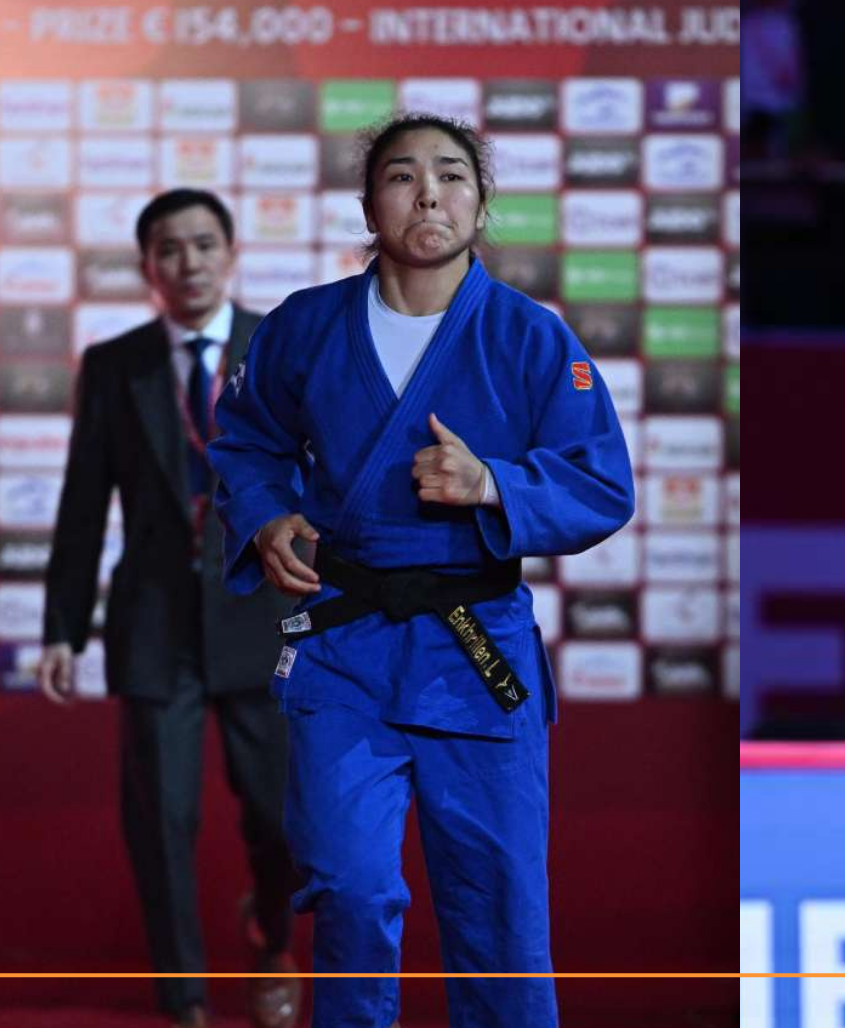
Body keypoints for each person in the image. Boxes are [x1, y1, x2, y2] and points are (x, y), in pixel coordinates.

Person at [207, 114, 634, 1028]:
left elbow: (602, 483)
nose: (428, 193)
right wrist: (267, 514)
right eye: (402, 176)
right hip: (345, 648)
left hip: (475, 653)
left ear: (480, 204)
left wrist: (493, 483)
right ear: (370, 207)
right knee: (350, 889)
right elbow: (244, 441)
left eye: (451, 175)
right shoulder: (304, 327)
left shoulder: (530, 338)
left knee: (500, 915)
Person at [37, 188, 302, 1028]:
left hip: (263, 616)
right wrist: (62, 629)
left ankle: (271, 937)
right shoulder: (115, 365)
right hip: (155, 624)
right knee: (162, 822)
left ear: (232, 253)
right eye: (170, 250)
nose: (190, 263)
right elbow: (84, 505)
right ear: (147, 266)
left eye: (204, 244)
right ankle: (183, 999)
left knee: (282, 819)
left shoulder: (282, 347)